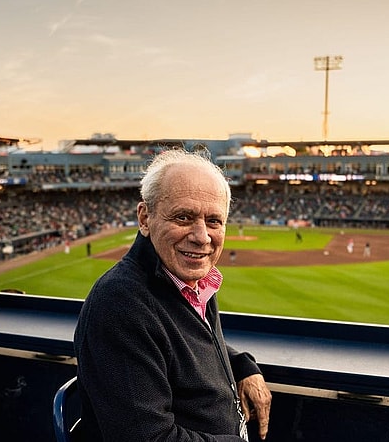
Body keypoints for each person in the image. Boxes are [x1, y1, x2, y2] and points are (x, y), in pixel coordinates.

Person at [74, 149, 272, 441]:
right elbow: (149, 438)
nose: (201, 236)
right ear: (145, 217)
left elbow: (186, 344)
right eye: (183, 217)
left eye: (214, 221)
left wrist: (241, 365)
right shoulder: (120, 304)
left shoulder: (189, 278)